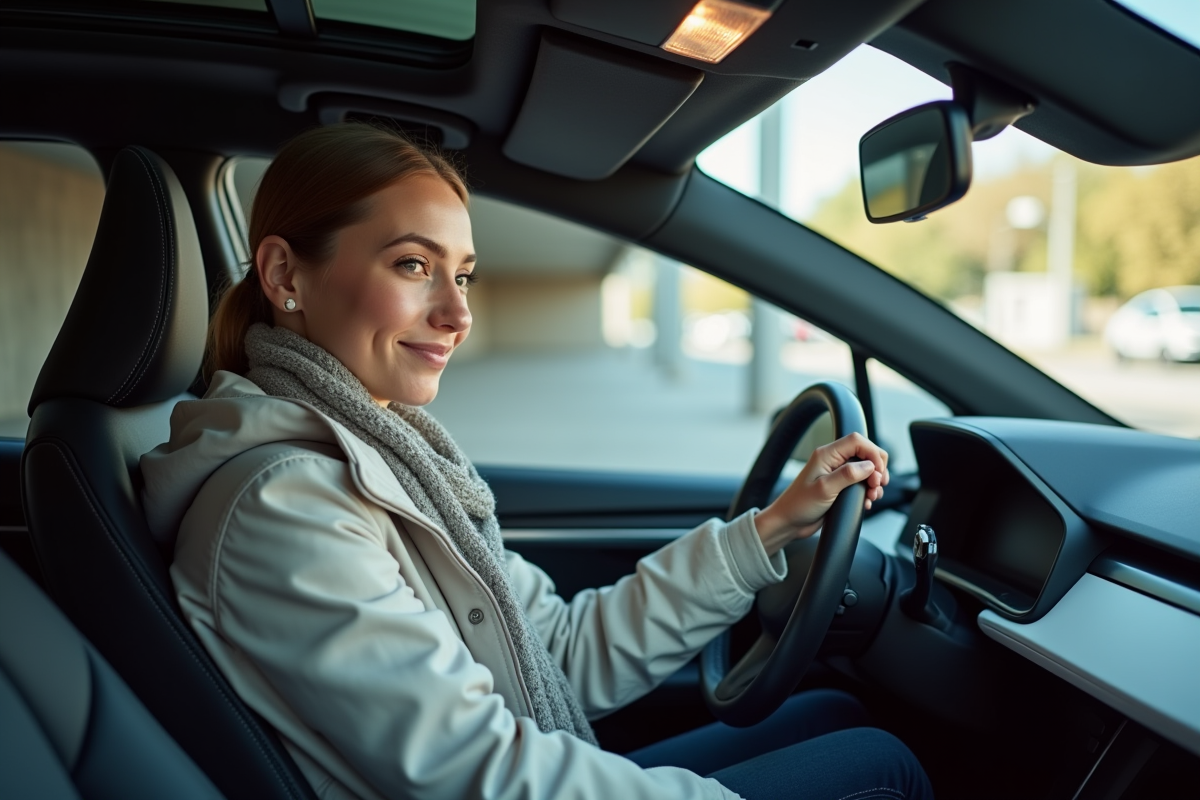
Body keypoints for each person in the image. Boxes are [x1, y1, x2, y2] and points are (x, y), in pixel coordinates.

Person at [141, 123, 933, 800]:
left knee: (834, 717)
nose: (456, 313)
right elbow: (480, 773)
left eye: (462, 274)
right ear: (285, 275)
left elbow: (552, 653)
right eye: (413, 265)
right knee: (880, 767)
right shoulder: (286, 506)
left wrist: (765, 533)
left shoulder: (389, 459)